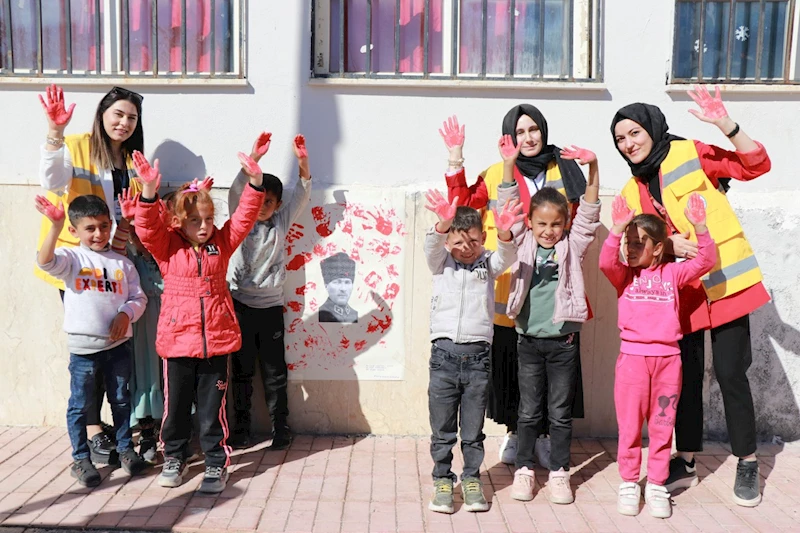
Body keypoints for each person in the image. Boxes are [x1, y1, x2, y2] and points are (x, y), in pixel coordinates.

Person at [611, 85, 772, 507]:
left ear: (651, 129)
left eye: (634, 133)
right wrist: (668, 245)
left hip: (726, 283)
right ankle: (685, 461)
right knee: (682, 379)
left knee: (731, 372)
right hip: (680, 295)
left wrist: (725, 123)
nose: (628, 143)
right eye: (620, 139)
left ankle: (747, 461)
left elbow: (756, 165)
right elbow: (631, 252)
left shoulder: (689, 153)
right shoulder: (630, 191)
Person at [440, 107, 587, 466]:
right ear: (509, 137)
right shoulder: (496, 173)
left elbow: (582, 219)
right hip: (511, 289)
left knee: (554, 380)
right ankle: (515, 433)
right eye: (520, 132)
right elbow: (463, 205)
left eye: (533, 129)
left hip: (555, 293)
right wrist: (456, 157)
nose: (528, 138)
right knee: (513, 373)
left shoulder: (564, 168)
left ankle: (546, 437)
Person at [132, 148, 266, 493]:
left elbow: (243, 219)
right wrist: (149, 191)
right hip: (178, 343)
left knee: (211, 411)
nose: (204, 226)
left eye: (208, 219)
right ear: (178, 222)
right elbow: (146, 228)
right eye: (195, 220)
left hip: (216, 343)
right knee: (175, 408)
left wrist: (255, 182)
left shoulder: (222, 242)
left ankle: (216, 462)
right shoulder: (168, 248)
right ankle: (174, 457)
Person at [37, 84, 145, 464]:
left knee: (113, 351)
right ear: (102, 114)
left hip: (115, 265)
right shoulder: (78, 145)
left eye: (131, 117)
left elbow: (128, 213)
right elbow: (52, 181)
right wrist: (55, 132)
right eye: (118, 114)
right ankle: (93, 430)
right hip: (79, 267)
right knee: (90, 354)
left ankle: (110, 430)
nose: (124, 122)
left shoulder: (132, 160)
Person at [599, 194, 716, 518]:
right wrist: (617, 230)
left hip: (668, 362)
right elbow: (606, 262)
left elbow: (706, 261)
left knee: (663, 426)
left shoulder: (672, 274)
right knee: (630, 426)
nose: (631, 249)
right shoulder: (625, 275)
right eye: (629, 243)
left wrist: (700, 227)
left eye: (640, 243)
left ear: (659, 248)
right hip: (632, 361)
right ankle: (628, 482)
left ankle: (656, 484)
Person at [498, 138, 601, 505]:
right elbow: (508, 204)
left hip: (563, 343)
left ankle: (559, 472)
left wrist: (594, 166)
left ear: (565, 224)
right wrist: (508, 165)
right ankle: (524, 470)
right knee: (528, 411)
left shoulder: (572, 245)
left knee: (559, 413)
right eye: (541, 223)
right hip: (527, 340)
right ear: (530, 222)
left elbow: (589, 210)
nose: (548, 230)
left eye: (556, 224)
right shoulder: (523, 242)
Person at [35, 194, 149, 487]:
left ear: (110, 224)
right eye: (90, 228)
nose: (98, 234)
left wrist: (125, 314)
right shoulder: (72, 259)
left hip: (118, 348)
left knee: (121, 400)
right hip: (83, 351)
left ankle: (125, 450)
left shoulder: (122, 263)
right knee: (80, 405)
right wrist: (54, 225)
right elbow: (45, 261)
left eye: (103, 226)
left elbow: (138, 298)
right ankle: (81, 459)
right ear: (74, 231)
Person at [423, 189, 523, 514]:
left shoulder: (487, 263)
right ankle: (442, 480)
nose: (466, 249)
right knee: (442, 430)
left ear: (483, 238)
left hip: (478, 360)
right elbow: (431, 246)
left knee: (472, 430)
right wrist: (442, 224)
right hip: (443, 358)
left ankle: (471, 479)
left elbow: (507, 256)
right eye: (458, 242)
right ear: (448, 241)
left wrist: (505, 233)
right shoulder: (442, 262)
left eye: (474, 241)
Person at [227, 133, 312, 450]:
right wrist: (254, 158)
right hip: (240, 307)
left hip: (272, 309)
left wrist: (303, 162)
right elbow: (237, 192)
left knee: (275, 373)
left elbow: (302, 194)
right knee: (242, 372)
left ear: (277, 205)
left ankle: (280, 427)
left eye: (269, 203)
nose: (261, 208)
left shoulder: (280, 222)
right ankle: (241, 428)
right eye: (258, 200)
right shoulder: (240, 220)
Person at [318, 252, 358, 323]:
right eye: (337, 282)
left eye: (347, 282)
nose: (343, 289)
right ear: (326, 285)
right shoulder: (319, 315)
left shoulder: (355, 315)